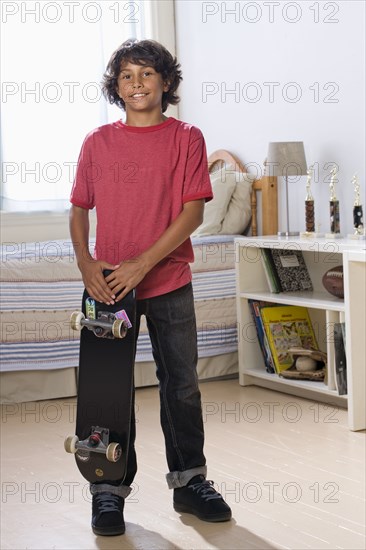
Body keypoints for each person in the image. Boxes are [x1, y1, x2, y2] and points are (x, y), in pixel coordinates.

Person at [69, 38, 232, 536]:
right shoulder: (97, 142)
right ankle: (107, 490)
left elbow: (193, 213)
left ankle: (190, 482)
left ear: (165, 82)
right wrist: (85, 264)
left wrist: (142, 263)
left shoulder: (187, 138)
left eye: (145, 74)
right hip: (107, 288)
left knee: (181, 385)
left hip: (169, 281)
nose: (136, 84)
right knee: (105, 391)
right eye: (125, 76)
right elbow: (78, 208)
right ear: (115, 87)